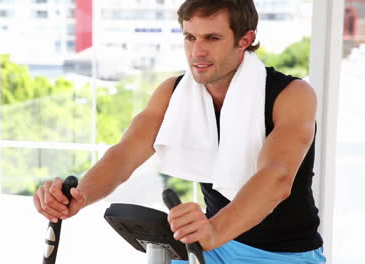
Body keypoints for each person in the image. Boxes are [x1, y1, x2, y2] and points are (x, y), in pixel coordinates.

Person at [33, 0, 326, 263]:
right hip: (213, 246)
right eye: (190, 37)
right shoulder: (174, 93)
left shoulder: (292, 94)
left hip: (283, 254)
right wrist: (80, 195)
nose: (197, 51)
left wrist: (215, 230)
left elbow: (277, 176)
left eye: (212, 38)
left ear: (244, 40)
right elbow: (125, 154)